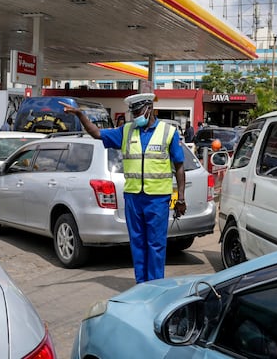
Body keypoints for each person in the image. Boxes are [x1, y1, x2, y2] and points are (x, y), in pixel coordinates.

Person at [60, 93, 187, 283]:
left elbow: (179, 166)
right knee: (137, 244)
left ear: (149, 108)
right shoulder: (126, 131)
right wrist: (80, 115)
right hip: (133, 198)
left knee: (156, 245)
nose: (135, 116)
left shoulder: (168, 132)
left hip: (158, 199)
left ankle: (155, 287)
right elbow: (97, 133)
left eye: (138, 112)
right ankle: (141, 286)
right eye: (133, 113)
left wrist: (181, 199)